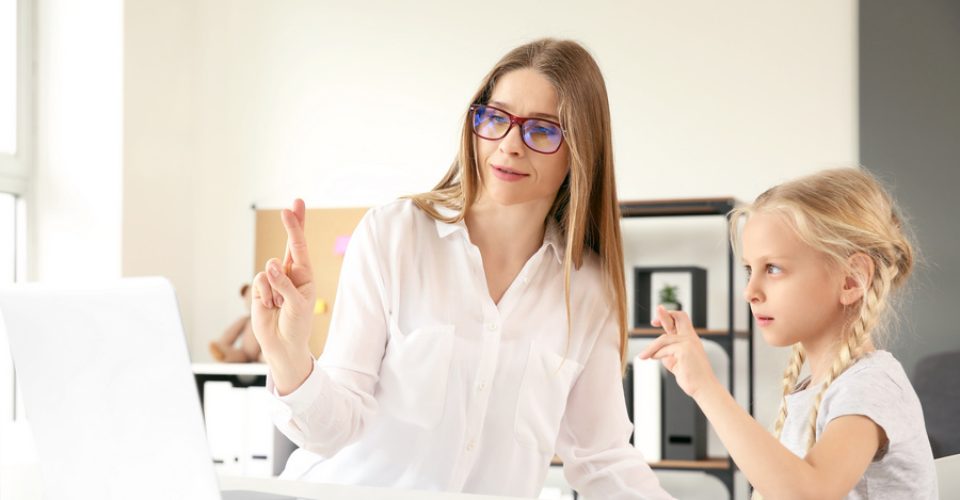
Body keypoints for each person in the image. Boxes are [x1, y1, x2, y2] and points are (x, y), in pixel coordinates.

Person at [250, 39, 674, 499]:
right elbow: (332, 432)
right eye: (496, 119)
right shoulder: (395, 234)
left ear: (581, 150)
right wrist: (288, 355)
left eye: (543, 130)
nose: (510, 145)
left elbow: (603, 459)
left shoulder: (588, 289)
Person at [641, 168, 937, 499]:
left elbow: (809, 492)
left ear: (851, 280)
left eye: (774, 269)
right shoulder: (817, 389)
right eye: (749, 270)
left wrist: (705, 387)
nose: (750, 291)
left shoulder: (871, 386)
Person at [209, 283, 262, 363]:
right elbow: (231, 332)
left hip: (262, 353)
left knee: (271, 356)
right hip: (245, 353)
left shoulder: (269, 319)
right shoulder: (246, 320)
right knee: (238, 355)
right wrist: (222, 343)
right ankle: (221, 351)